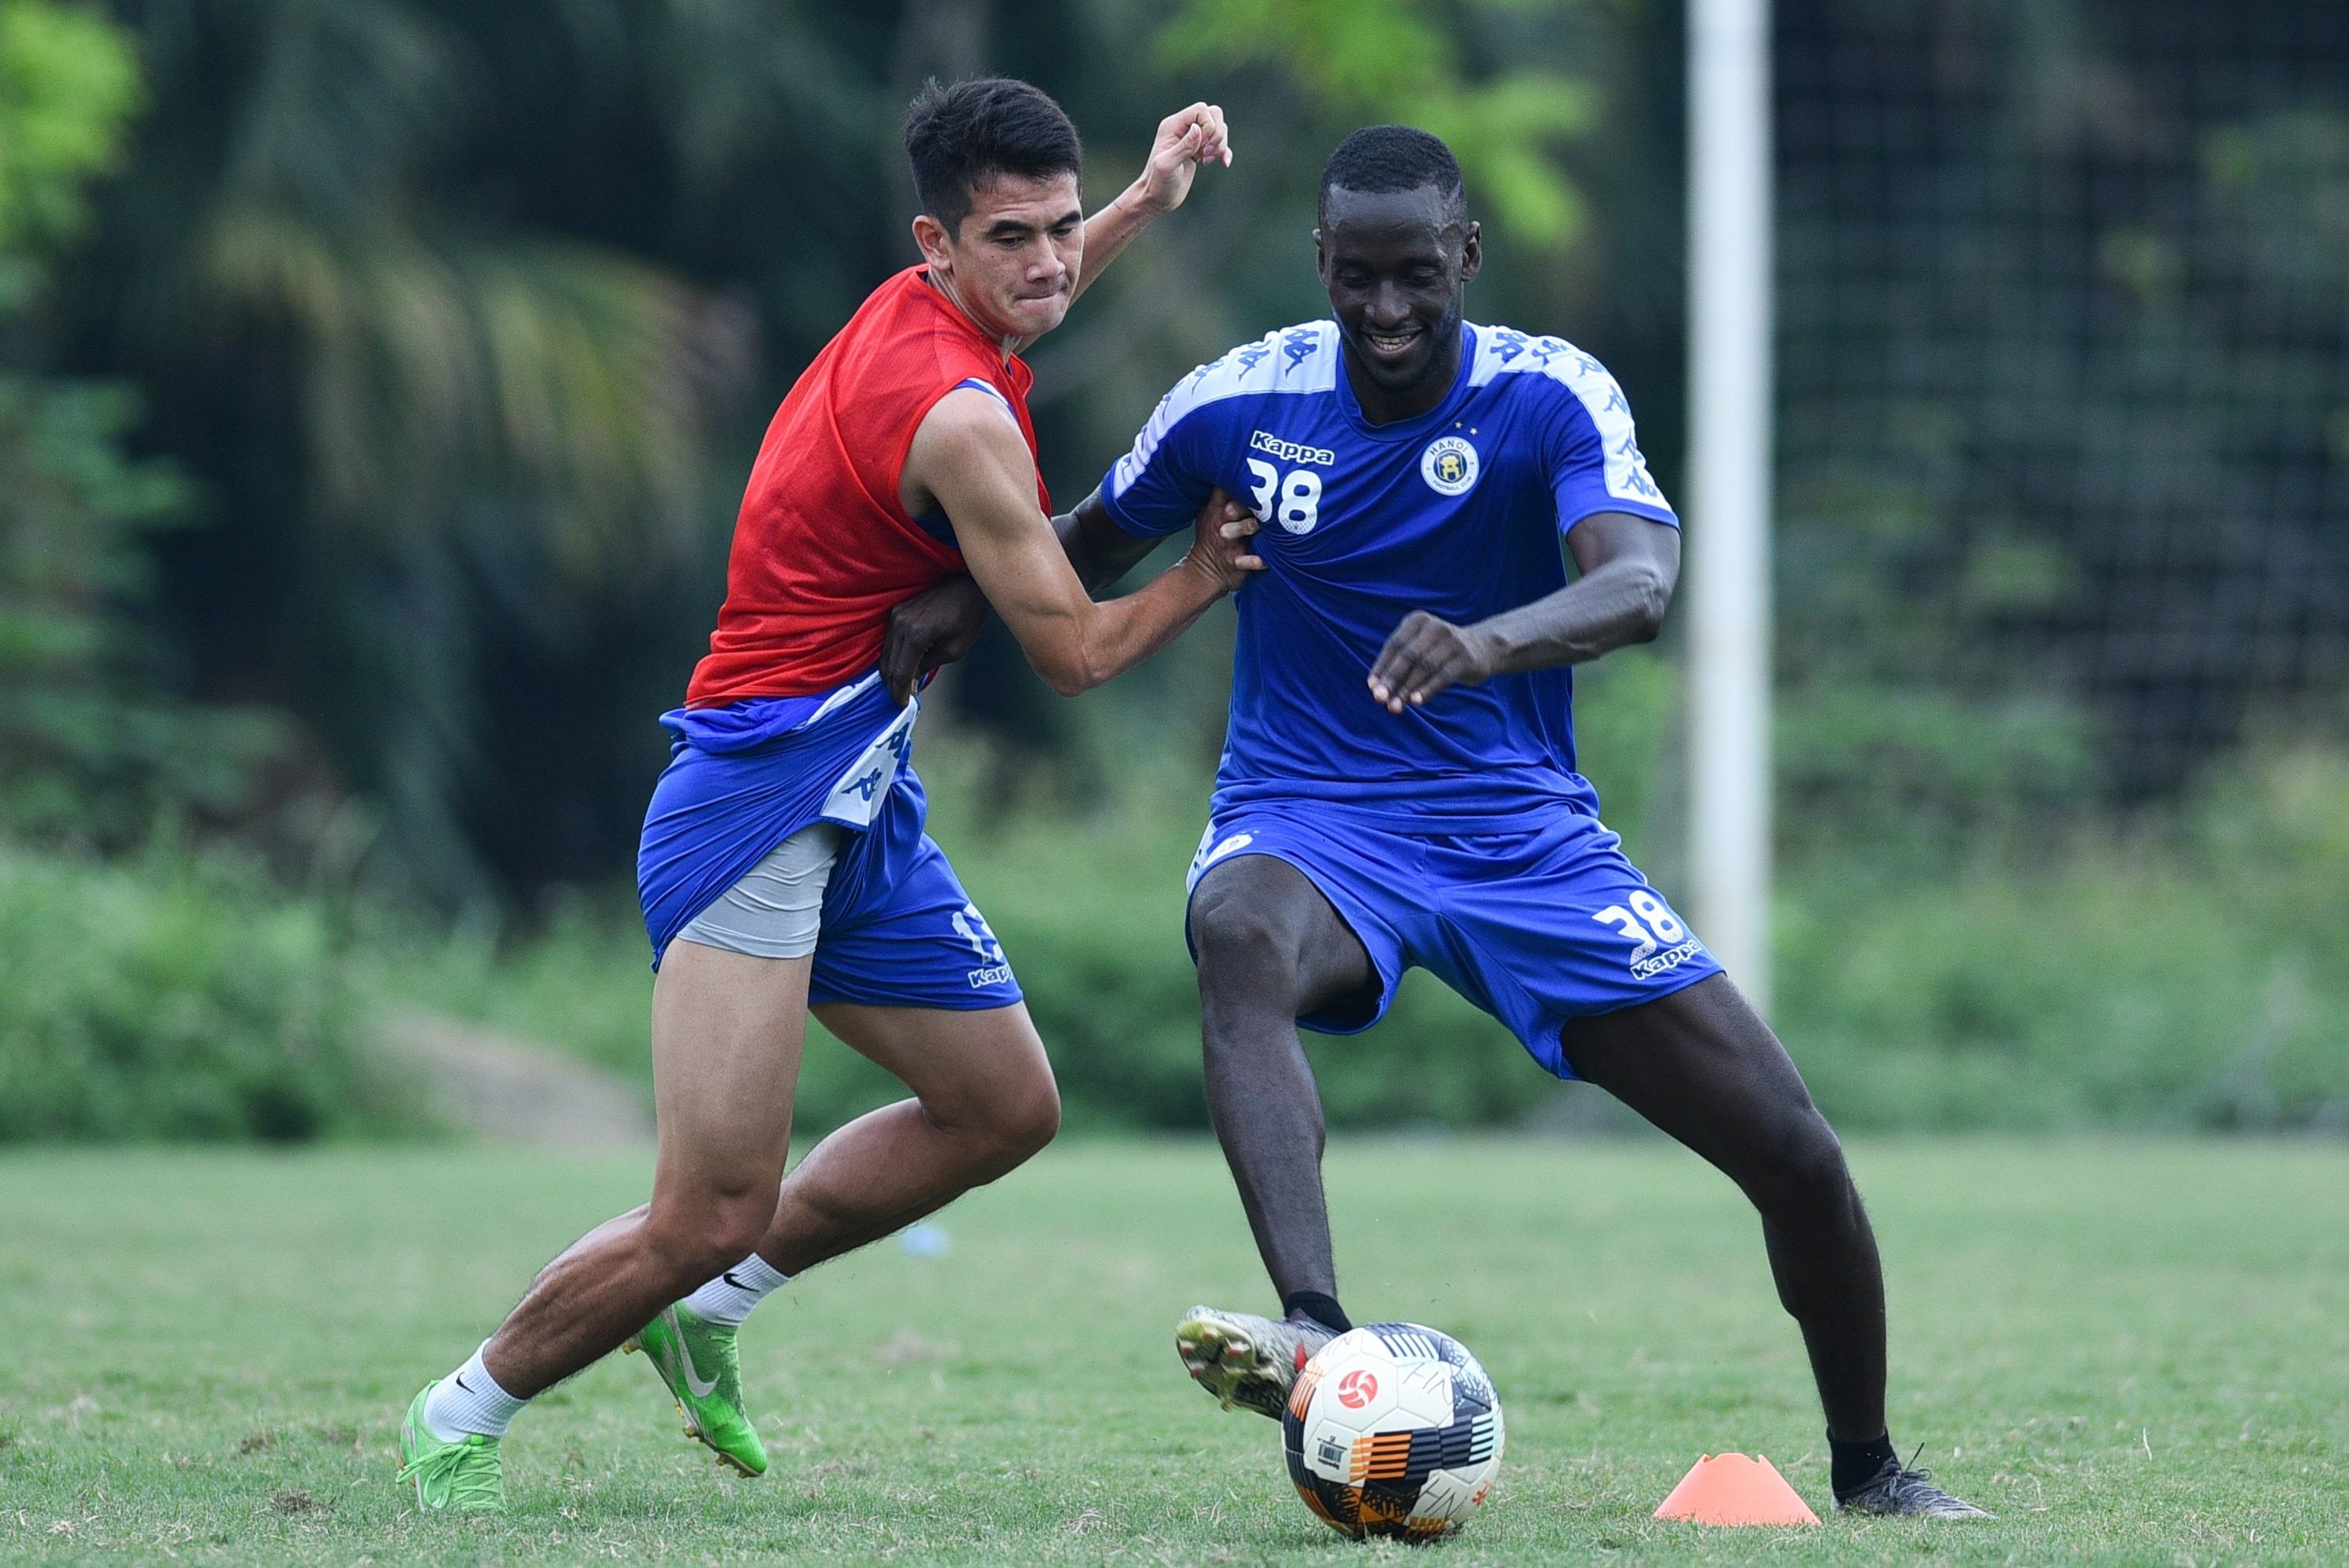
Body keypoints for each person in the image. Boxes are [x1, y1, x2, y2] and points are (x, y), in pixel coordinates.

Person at [896, 123, 1988, 1518]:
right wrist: (952, 603)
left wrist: (1485, 644)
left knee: (1798, 1156)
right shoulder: (1239, 401)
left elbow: (1641, 585)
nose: (1387, 310)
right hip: (1310, 814)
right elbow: (1084, 540)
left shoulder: (1548, 397)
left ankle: (1873, 1470)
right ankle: (1313, 1331)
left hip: (1518, 837)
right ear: (1322, 263)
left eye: (1417, 274)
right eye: (1358, 277)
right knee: (1236, 930)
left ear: (1466, 255)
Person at [395, 77, 1257, 1513]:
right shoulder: (961, 417)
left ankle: (712, 1311)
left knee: (1003, 1108)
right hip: (754, 804)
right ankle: (460, 1410)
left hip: (860, 796)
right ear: (938, 244)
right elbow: (1077, 654)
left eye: (1059, 227)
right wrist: (1204, 573)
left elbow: (1033, 294)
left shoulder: (942, 309)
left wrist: (1147, 203)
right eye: (1012, 237)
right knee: (706, 1209)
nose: (1048, 262)